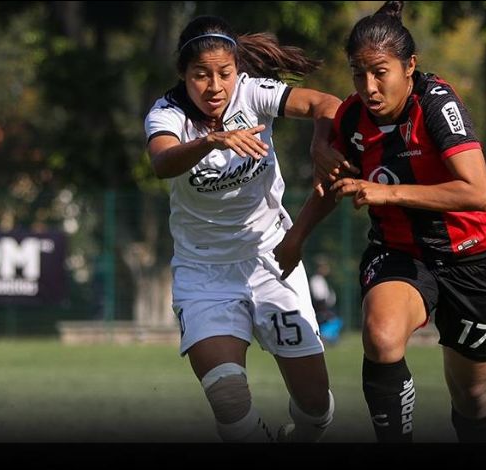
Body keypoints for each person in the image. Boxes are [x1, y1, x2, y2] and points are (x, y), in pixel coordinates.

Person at [275, 1, 486, 442]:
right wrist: (297, 236)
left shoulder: (437, 104)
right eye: (358, 74)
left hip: (472, 258)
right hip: (400, 252)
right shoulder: (352, 116)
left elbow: (476, 193)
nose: (369, 87)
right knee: (381, 337)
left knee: (472, 394)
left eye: (380, 72)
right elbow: (335, 183)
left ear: (409, 67)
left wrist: (387, 191)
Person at [144, 15, 344, 442]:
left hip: (272, 261)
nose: (214, 86)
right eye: (200, 75)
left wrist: (318, 143)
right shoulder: (167, 113)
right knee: (230, 399)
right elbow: (162, 163)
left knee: (314, 406)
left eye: (224, 73)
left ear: (238, 71)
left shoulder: (252, 94)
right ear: (183, 74)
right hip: (204, 274)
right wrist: (208, 142)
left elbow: (327, 104)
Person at [309, 256, 343, 344]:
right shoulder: (316, 280)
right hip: (323, 309)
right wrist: (325, 312)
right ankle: (324, 338)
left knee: (336, 321)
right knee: (335, 321)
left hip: (326, 308)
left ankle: (327, 337)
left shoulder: (321, 279)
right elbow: (319, 298)